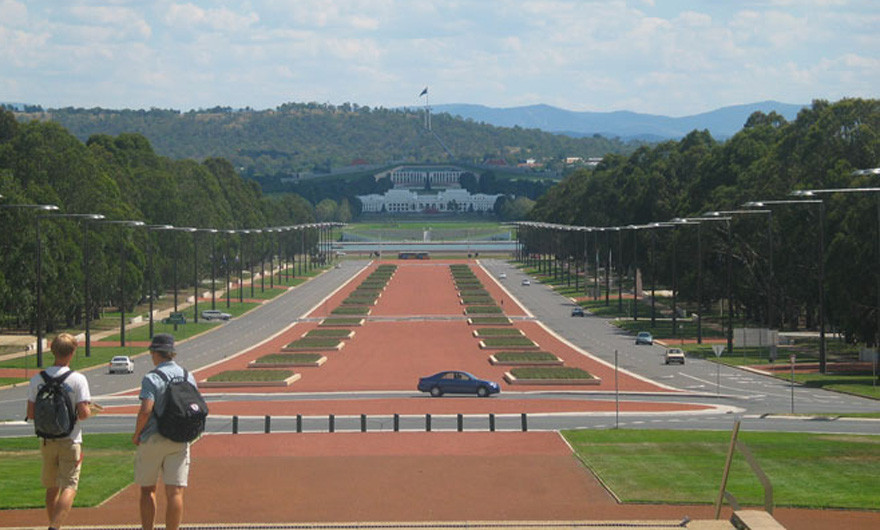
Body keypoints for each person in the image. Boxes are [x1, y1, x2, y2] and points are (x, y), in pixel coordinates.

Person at [26, 333, 92, 530]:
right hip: (70, 439)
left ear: (52, 351)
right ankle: (55, 527)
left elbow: (31, 413)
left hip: (46, 440)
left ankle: (54, 524)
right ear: (72, 352)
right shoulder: (78, 379)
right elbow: (83, 413)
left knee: (51, 487)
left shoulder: (37, 379)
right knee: (70, 486)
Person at [132, 333, 198, 530]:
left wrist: (137, 435)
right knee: (175, 492)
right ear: (172, 353)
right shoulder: (188, 375)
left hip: (153, 437)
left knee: (147, 490)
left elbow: (145, 411)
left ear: (154, 353)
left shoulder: (151, 378)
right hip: (179, 438)